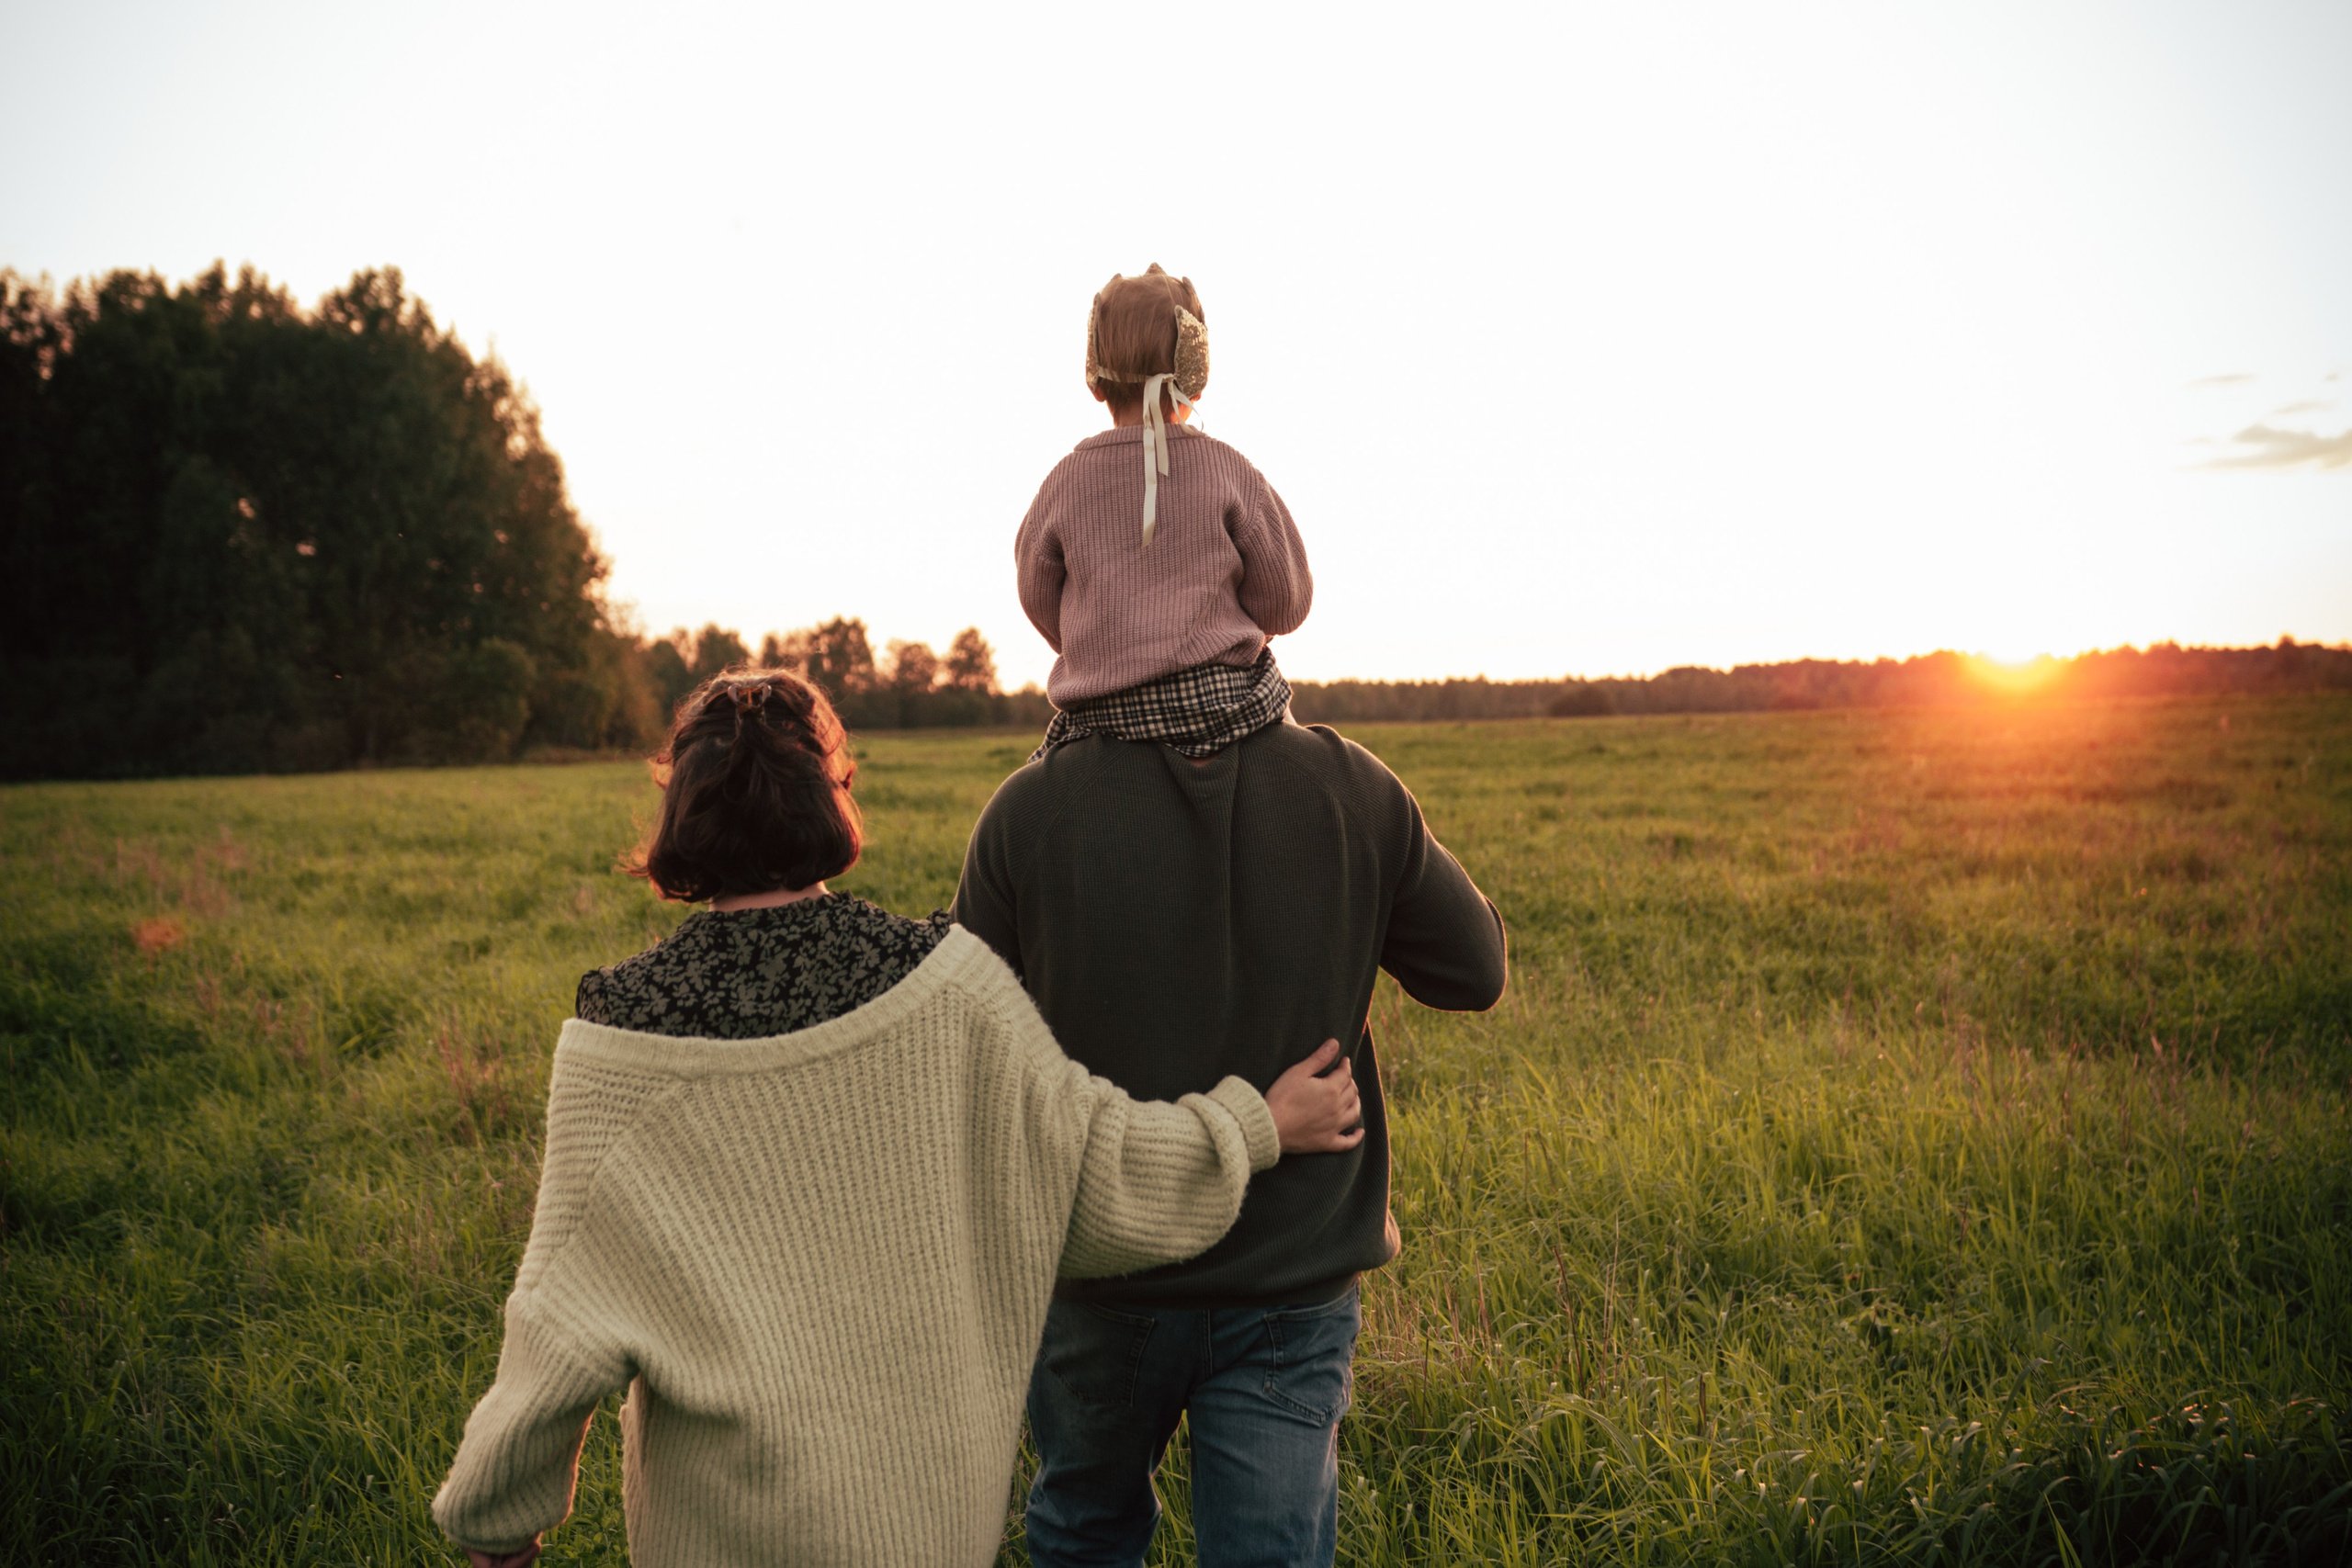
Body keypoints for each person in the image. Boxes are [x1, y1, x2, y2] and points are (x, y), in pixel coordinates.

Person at [430, 668, 1365, 1568]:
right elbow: (1090, 1175)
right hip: (920, 1527)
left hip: (715, 1536)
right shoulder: (945, 984)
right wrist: (1258, 1124)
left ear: (678, 812)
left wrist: (498, 1509)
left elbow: (558, 1321)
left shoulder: (615, 1032)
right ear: (834, 793)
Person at [954, 693, 1510, 1558]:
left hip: (1099, 1265)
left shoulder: (1030, 806)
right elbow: (1474, 970)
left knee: (1083, 1533)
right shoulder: (1352, 786)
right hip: (1290, 1270)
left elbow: (970, 1048)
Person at [1016, 264, 1314, 760]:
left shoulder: (1061, 484)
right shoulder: (1229, 470)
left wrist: (1102, 642)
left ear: (1095, 377)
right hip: (1229, 706)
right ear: (1195, 375)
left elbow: (1036, 594)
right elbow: (1287, 600)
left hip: (1100, 716)